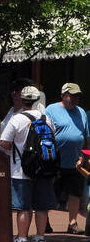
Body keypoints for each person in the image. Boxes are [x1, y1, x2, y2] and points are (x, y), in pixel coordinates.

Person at [0, 85, 58, 242]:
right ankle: (40, 239)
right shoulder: (46, 118)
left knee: (23, 207)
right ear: (36, 99)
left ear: (22, 100)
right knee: (41, 207)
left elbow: (4, 142)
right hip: (44, 168)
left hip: (21, 169)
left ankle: (22, 240)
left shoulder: (17, 119)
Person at [45, 83, 89, 233]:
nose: (76, 99)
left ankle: (72, 223)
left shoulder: (81, 112)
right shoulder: (51, 109)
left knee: (75, 193)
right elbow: (44, 134)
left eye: (78, 96)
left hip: (76, 161)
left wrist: (86, 156)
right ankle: (45, 222)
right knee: (51, 192)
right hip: (55, 161)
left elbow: (85, 136)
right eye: (72, 95)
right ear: (63, 95)